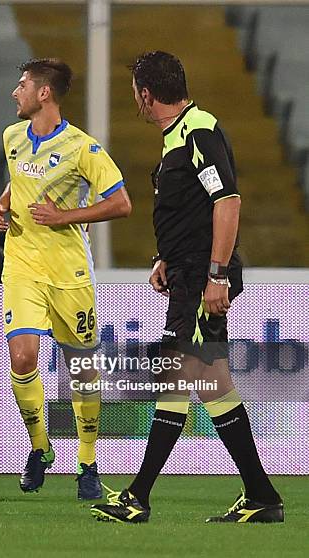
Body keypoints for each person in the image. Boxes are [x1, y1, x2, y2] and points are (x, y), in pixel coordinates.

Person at [90, 51, 283, 523]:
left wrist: (216, 275)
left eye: (136, 91)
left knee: (180, 379)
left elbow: (228, 201)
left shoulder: (197, 130)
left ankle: (139, 496)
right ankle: (261, 496)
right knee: (211, 385)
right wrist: (165, 257)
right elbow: (193, 209)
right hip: (188, 272)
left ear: (146, 94)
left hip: (202, 278)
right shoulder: (180, 134)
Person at [0, 58, 132, 499]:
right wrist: (1, 205)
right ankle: (39, 448)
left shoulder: (83, 148)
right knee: (23, 357)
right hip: (22, 265)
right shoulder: (13, 137)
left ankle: (87, 463)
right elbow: (18, 183)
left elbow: (121, 203)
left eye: (23, 85)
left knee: (82, 369)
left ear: (44, 93)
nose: (16, 92)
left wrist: (64, 216)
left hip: (69, 271)